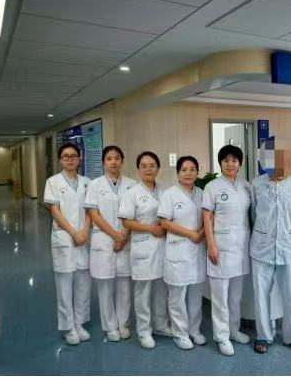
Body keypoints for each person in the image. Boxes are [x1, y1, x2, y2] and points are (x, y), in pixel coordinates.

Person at [250, 149, 291, 354]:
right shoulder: (256, 183)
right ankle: (263, 336)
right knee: (261, 294)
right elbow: (253, 213)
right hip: (262, 246)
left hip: (289, 245)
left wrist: (288, 231)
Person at [118, 151, 173, 349]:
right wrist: (151, 228)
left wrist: (164, 228)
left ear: (158, 168)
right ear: (138, 169)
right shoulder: (132, 193)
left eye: (152, 165)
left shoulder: (164, 191)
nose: (148, 169)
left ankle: (160, 325)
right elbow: (126, 221)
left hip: (162, 246)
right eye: (144, 166)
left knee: (161, 289)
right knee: (143, 292)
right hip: (143, 246)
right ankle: (144, 331)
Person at [84, 146, 137, 342]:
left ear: (122, 160)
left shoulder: (132, 185)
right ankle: (110, 326)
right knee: (105, 286)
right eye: (109, 158)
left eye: (117, 158)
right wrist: (115, 235)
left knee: (124, 286)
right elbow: (94, 214)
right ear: (103, 162)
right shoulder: (95, 185)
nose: (113, 162)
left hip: (125, 239)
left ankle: (123, 323)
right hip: (104, 240)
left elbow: (134, 214)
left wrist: (124, 236)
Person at [203, 145, 251, 356]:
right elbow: (207, 218)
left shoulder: (246, 186)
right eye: (226, 160)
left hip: (241, 248)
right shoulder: (212, 187)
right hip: (220, 248)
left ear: (239, 163)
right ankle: (221, 336)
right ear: (220, 163)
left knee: (235, 296)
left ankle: (234, 330)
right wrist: (211, 245)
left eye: (234, 160)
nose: (230, 164)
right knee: (220, 297)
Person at [44, 142, 92, 345]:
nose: (70, 159)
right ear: (60, 160)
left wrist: (84, 231)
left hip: (83, 237)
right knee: (64, 284)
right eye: (66, 156)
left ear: (79, 159)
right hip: (64, 236)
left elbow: (91, 211)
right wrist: (74, 233)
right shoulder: (53, 181)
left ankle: (79, 322)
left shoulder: (87, 182)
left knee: (83, 282)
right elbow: (55, 211)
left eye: (73, 156)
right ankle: (68, 326)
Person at [158, 156, 207, 350]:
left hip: (197, 249)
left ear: (197, 172)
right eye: (184, 170)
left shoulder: (202, 193)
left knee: (196, 294)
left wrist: (200, 233)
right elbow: (164, 222)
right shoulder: (169, 194)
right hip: (178, 249)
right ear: (177, 173)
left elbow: (209, 218)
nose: (188, 173)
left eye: (192, 169)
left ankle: (194, 330)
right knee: (177, 295)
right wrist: (191, 234)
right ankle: (180, 333)